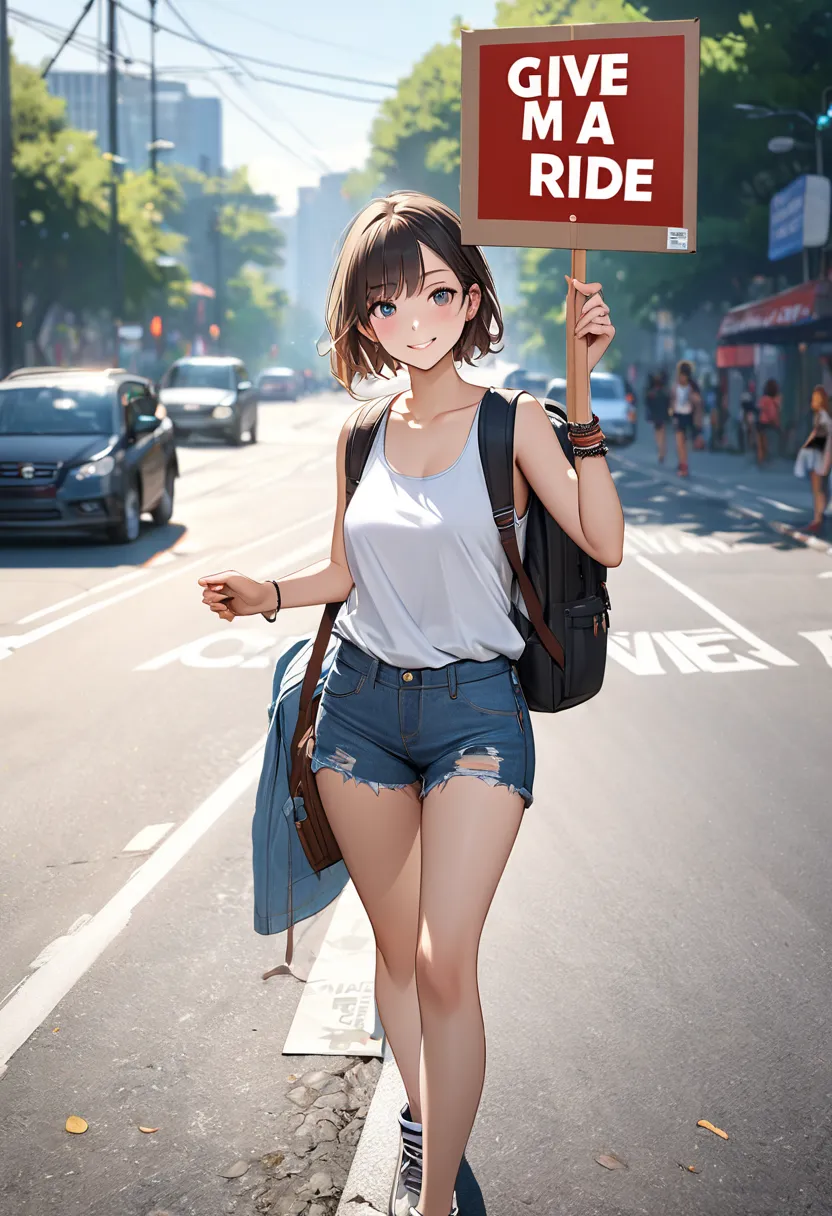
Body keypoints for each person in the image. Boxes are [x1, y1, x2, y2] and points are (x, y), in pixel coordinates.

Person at [196, 192, 625, 1216]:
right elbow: (347, 568)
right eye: (387, 301)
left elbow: (602, 541)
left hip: (477, 714)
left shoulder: (511, 420)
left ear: (469, 299)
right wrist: (268, 593)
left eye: (434, 291)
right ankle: (423, 1120)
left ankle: (434, 1202)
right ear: (365, 321)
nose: (414, 315)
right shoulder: (357, 435)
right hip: (357, 716)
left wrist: (583, 395)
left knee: (443, 960)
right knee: (396, 954)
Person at [794, 384, 832, 534]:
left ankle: (818, 519)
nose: (812, 402)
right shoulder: (824, 416)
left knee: (818, 490)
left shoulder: (822, 417)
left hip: (819, 457)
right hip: (822, 457)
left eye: (815, 399)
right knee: (821, 489)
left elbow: (820, 439)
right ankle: (819, 517)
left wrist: (805, 451)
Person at [670, 359, 702, 477]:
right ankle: (682, 464)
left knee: (685, 443)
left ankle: (684, 464)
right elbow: (672, 399)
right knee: (679, 442)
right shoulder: (675, 385)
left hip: (689, 416)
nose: (682, 378)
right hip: (678, 415)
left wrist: (693, 397)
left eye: (684, 376)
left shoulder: (692, 386)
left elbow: (699, 402)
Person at [644, 369, 670, 463]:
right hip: (657, 411)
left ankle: (661, 451)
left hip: (661, 410)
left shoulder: (660, 388)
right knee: (659, 432)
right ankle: (661, 450)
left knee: (661, 432)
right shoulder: (654, 388)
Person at [756, 378, 781, 466]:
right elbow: (776, 412)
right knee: (771, 442)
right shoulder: (778, 399)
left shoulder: (763, 399)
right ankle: (769, 458)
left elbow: (761, 409)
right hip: (773, 424)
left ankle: (761, 459)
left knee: (761, 443)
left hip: (763, 423)